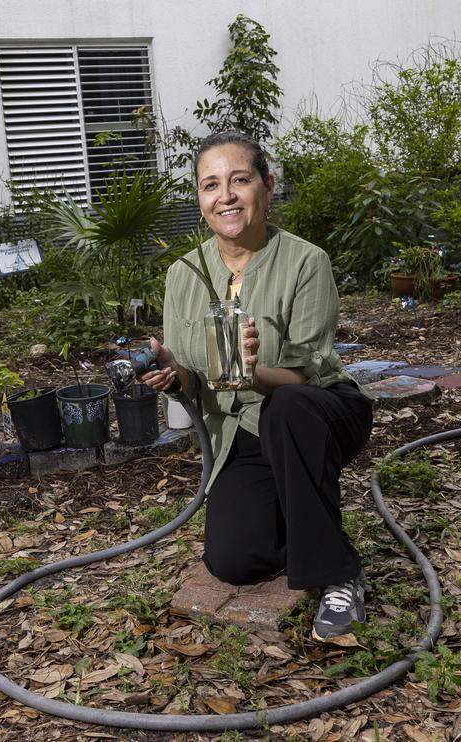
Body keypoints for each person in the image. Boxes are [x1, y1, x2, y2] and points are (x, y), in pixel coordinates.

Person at [139, 131, 375, 640]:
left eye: (240, 180)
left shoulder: (305, 261)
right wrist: (170, 372)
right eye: (210, 185)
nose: (225, 195)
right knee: (235, 562)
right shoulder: (183, 273)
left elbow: (306, 373)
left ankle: (339, 575)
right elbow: (191, 371)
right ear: (200, 199)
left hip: (318, 410)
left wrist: (252, 372)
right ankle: (297, 509)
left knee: (285, 407)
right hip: (240, 426)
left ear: (267, 187)